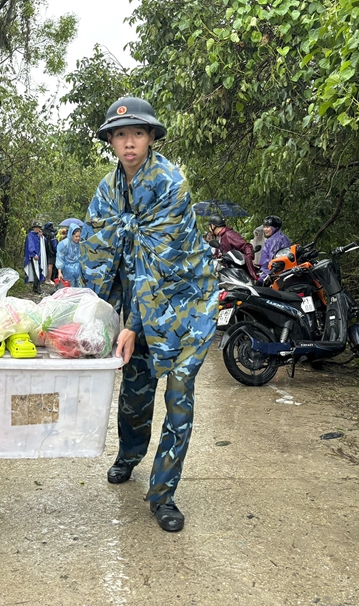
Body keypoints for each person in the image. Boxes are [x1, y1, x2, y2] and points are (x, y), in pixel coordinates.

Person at [80, 96, 218, 533]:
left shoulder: (171, 184)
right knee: (135, 391)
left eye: (137, 133)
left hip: (184, 304)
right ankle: (129, 454)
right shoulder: (107, 189)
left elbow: (162, 265)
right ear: (111, 141)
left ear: (152, 137)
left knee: (178, 400)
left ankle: (163, 495)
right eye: (120, 135)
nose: (129, 143)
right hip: (136, 305)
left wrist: (132, 326)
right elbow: (97, 250)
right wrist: (93, 320)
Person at [206, 214, 258, 281]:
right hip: (229, 272)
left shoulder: (229, 234)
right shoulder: (221, 236)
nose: (209, 228)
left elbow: (246, 246)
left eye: (209, 226)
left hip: (237, 273)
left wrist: (250, 268)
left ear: (213, 226)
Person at [258, 215, 291, 282]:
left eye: (268, 227)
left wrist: (263, 278)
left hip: (274, 274)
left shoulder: (272, 241)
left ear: (275, 227)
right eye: (264, 227)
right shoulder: (285, 238)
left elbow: (271, 260)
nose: (265, 229)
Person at [24, 221, 47, 293]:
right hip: (34, 256)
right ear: (33, 228)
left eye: (39, 228)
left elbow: (44, 242)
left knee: (39, 270)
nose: (37, 229)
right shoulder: (30, 235)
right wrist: (33, 254)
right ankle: (37, 288)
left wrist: (42, 236)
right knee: (36, 271)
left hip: (39, 256)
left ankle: (36, 287)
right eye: (36, 227)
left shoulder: (38, 235)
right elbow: (30, 245)